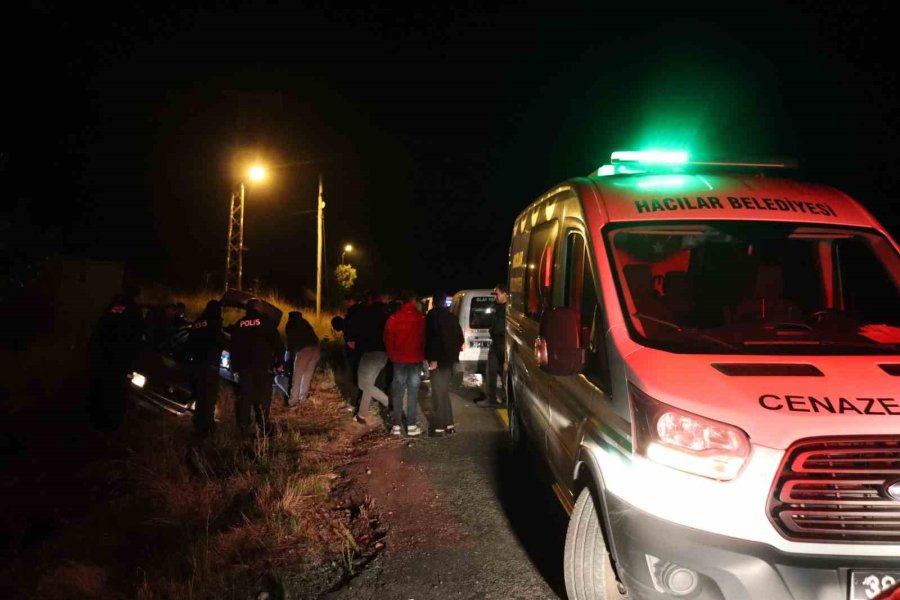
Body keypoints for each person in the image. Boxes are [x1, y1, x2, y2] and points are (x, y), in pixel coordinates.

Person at [87, 285, 144, 430]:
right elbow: (135, 339)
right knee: (116, 393)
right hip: (120, 359)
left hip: (104, 355)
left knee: (100, 387)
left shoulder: (114, 307)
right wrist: (132, 364)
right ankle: (108, 425)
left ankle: (94, 418)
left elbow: (99, 329)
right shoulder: (134, 311)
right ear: (137, 296)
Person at [229, 299, 285, 436]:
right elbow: (278, 345)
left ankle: (243, 426)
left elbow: (233, 347)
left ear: (247, 309)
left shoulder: (239, 324)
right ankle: (263, 426)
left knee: (246, 396)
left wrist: (234, 366)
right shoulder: (267, 324)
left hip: (245, 367)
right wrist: (280, 362)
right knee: (263, 397)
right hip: (263, 366)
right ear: (259, 309)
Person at [384, 290, 425, 436]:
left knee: (398, 392)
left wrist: (392, 356)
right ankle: (411, 426)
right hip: (415, 360)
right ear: (413, 301)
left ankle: (396, 426)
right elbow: (425, 339)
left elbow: (388, 339)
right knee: (413, 393)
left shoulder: (393, 318)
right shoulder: (421, 318)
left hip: (399, 360)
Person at [425, 290, 464, 436]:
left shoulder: (432, 317)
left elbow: (431, 339)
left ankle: (439, 427)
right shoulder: (452, 317)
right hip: (449, 360)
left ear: (434, 302)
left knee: (437, 393)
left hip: (437, 359)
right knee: (444, 391)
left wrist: (433, 359)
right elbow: (460, 338)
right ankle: (449, 425)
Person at [185, 300, 225, 437]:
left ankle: (197, 425)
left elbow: (188, 344)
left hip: (195, 365)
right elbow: (219, 342)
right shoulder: (215, 323)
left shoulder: (197, 322)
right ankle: (207, 428)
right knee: (209, 398)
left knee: (199, 396)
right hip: (209, 366)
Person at [352, 291, 391, 424]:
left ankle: (390, 404)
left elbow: (358, 330)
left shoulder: (366, 312)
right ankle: (361, 415)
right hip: (383, 353)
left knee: (363, 384)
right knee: (369, 384)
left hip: (369, 352)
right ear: (384, 300)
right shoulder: (388, 314)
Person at [477, 283, 508, 407]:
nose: (495, 296)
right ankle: (491, 399)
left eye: (497, 294)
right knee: (490, 371)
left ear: (505, 294)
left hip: (504, 343)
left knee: (506, 374)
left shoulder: (509, 308)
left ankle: (507, 399)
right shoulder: (496, 306)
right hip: (495, 343)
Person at [285, 310, 320, 407]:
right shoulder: (305, 323)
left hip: (303, 350)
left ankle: (293, 402)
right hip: (316, 350)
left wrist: (287, 357)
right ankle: (302, 400)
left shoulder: (291, 324)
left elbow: (290, 342)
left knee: (297, 377)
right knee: (307, 376)